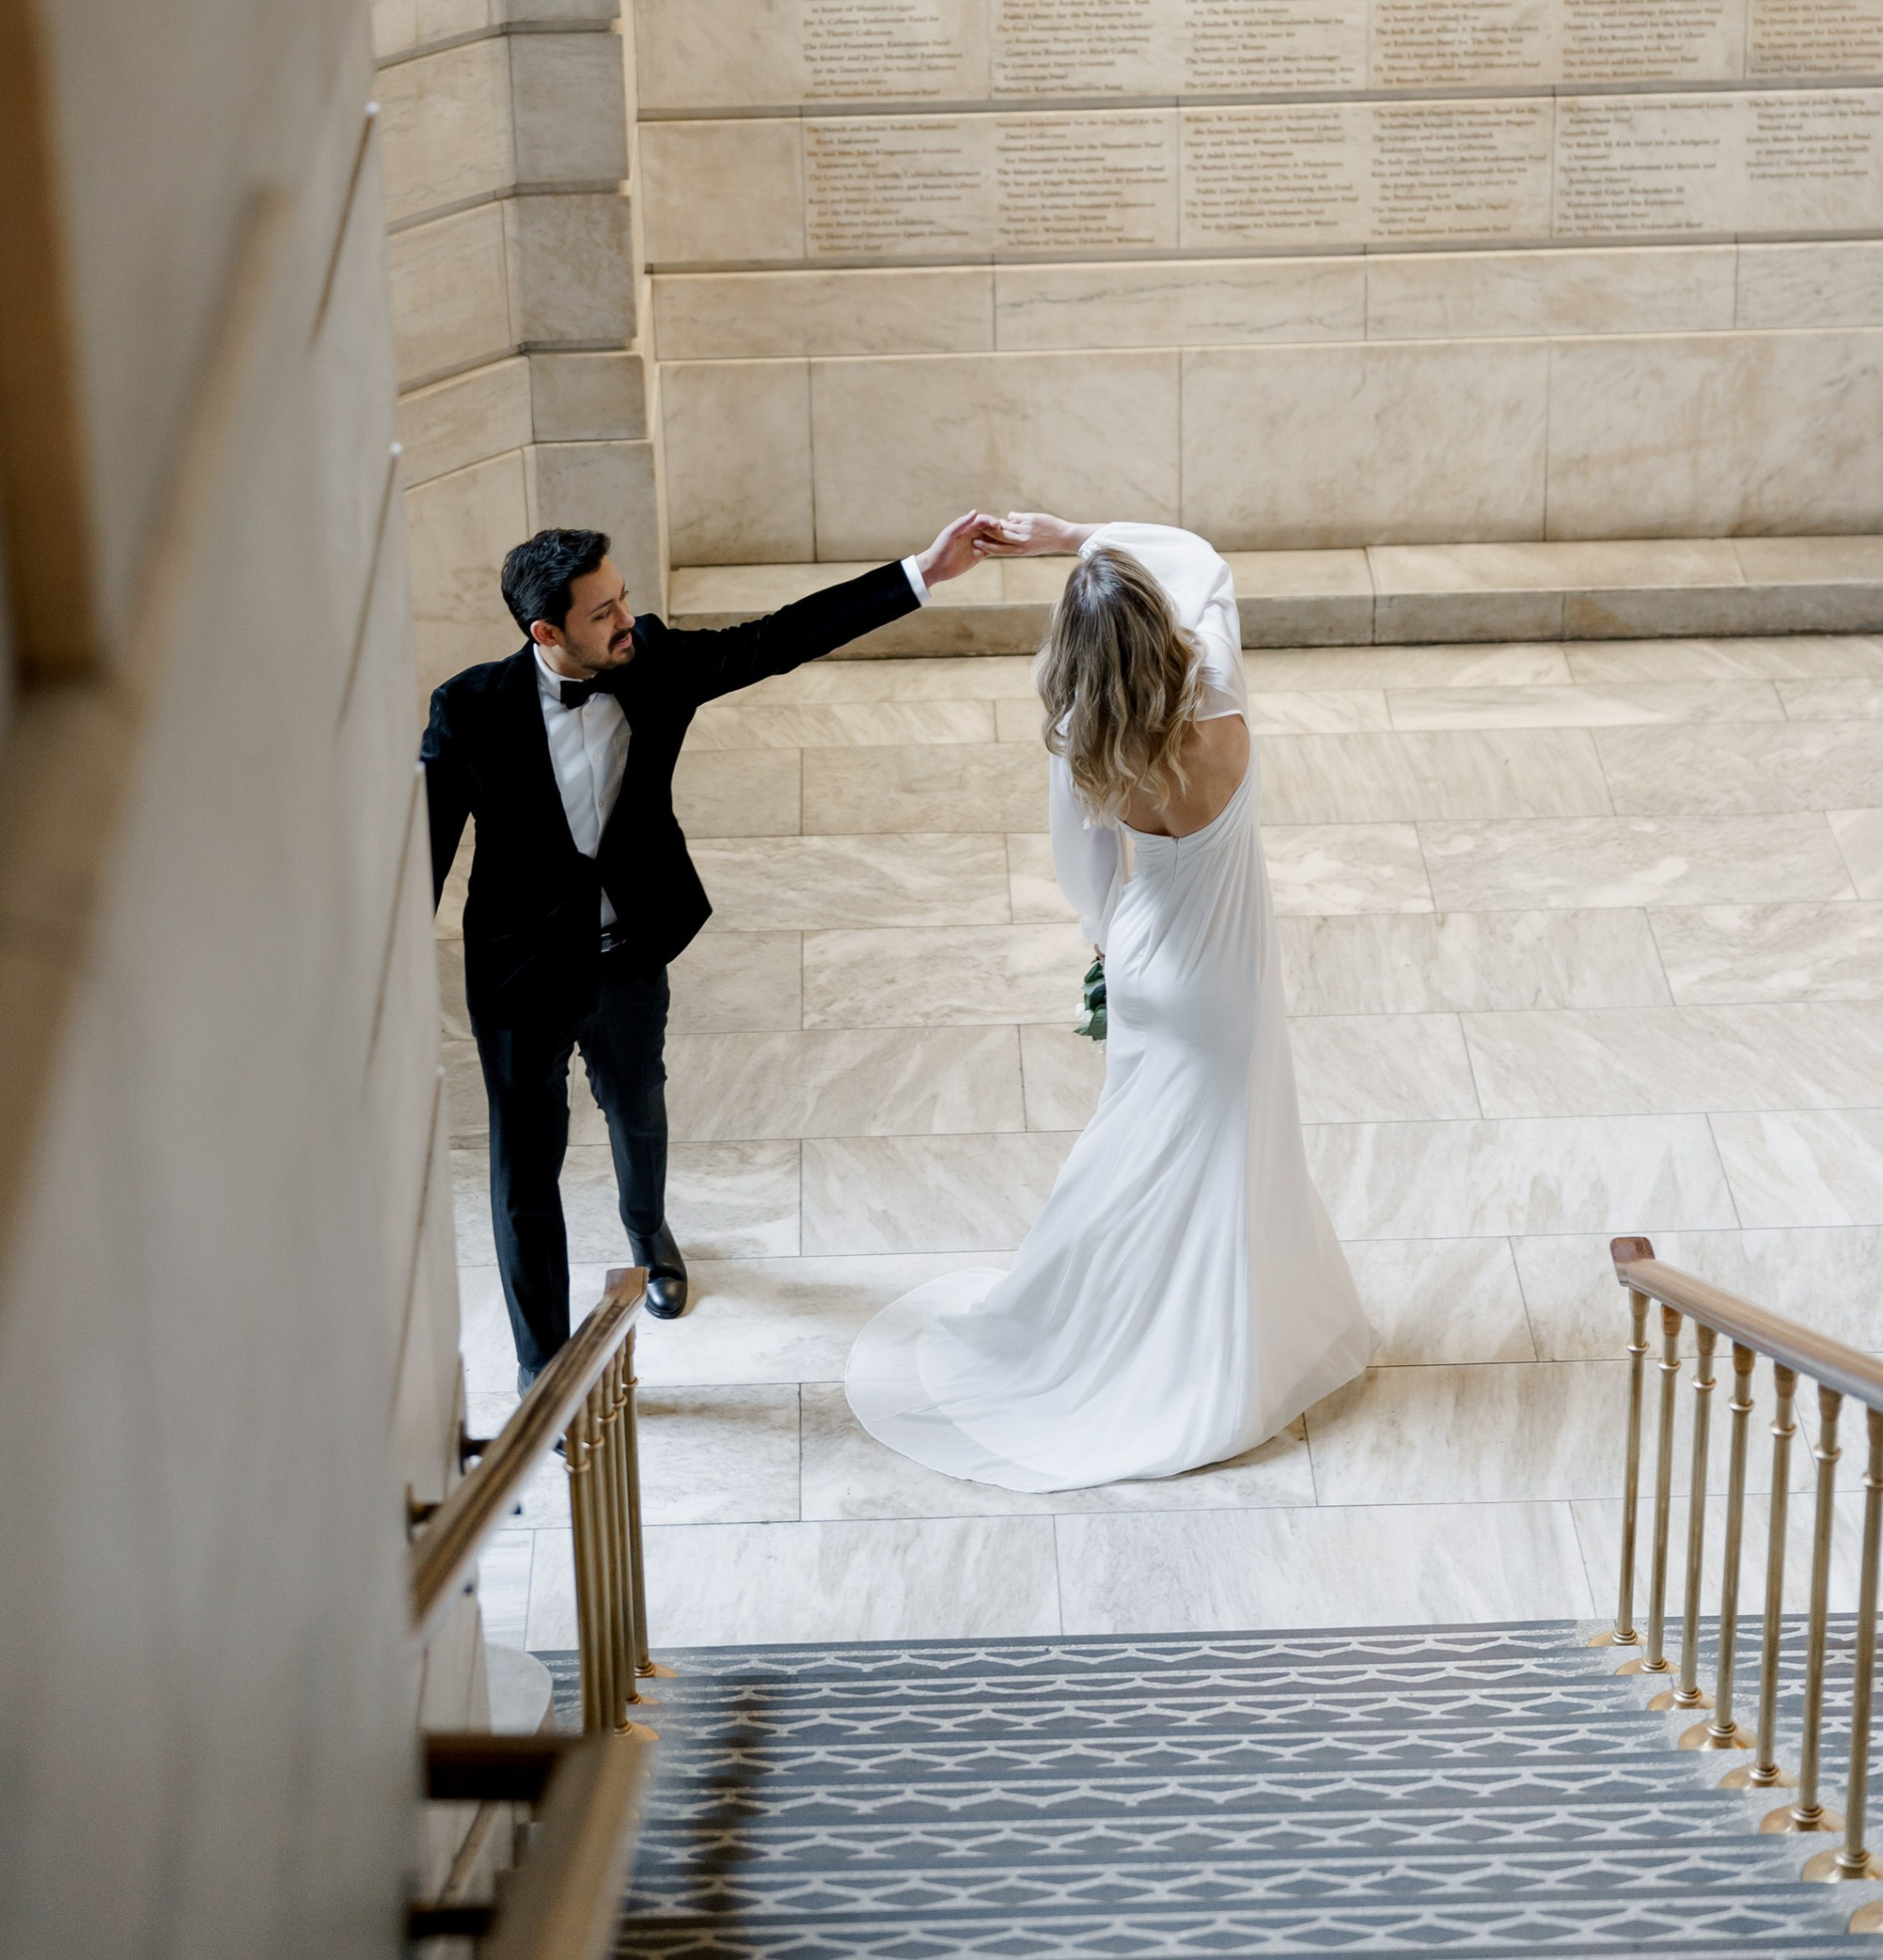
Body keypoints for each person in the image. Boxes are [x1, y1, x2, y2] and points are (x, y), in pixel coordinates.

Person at [846, 515, 1372, 1490]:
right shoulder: (1217, 690)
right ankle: (1215, 1341)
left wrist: (1104, 933)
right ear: (1158, 629)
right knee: (1225, 1151)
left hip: (1144, 956)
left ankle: (1091, 1314)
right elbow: (1203, 558)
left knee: (1134, 1139)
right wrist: (1067, 533)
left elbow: (1084, 873)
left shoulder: (1083, 735)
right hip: (1223, 979)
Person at [425, 513, 996, 1392]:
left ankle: (651, 1239)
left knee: (637, 1105)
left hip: (627, 954)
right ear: (546, 632)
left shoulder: (651, 667)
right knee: (521, 1172)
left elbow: (778, 639)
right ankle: (542, 1371)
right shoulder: (469, 710)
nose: (627, 619)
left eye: (623, 598)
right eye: (603, 612)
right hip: (518, 975)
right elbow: (417, 852)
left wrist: (922, 572)